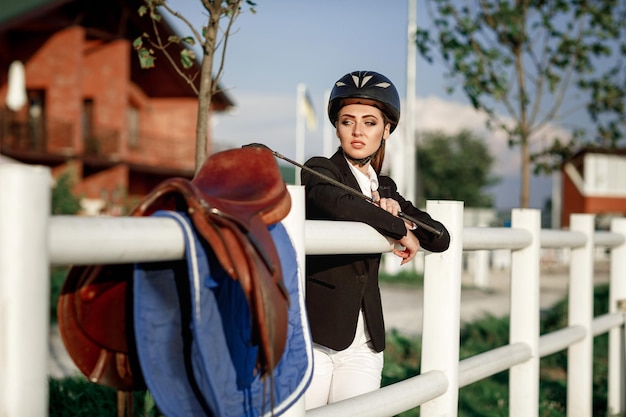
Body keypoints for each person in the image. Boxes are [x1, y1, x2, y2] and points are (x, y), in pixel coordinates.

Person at [301, 70, 451, 409]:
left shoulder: (385, 188)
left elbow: (439, 238)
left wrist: (399, 215)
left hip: (365, 344)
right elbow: (335, 201)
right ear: (336, 127)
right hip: (314, 338)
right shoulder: (320, 170)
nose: (357, 131)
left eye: (370, 122)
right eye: (347, 121)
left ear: (386, 130)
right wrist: (397, 229)